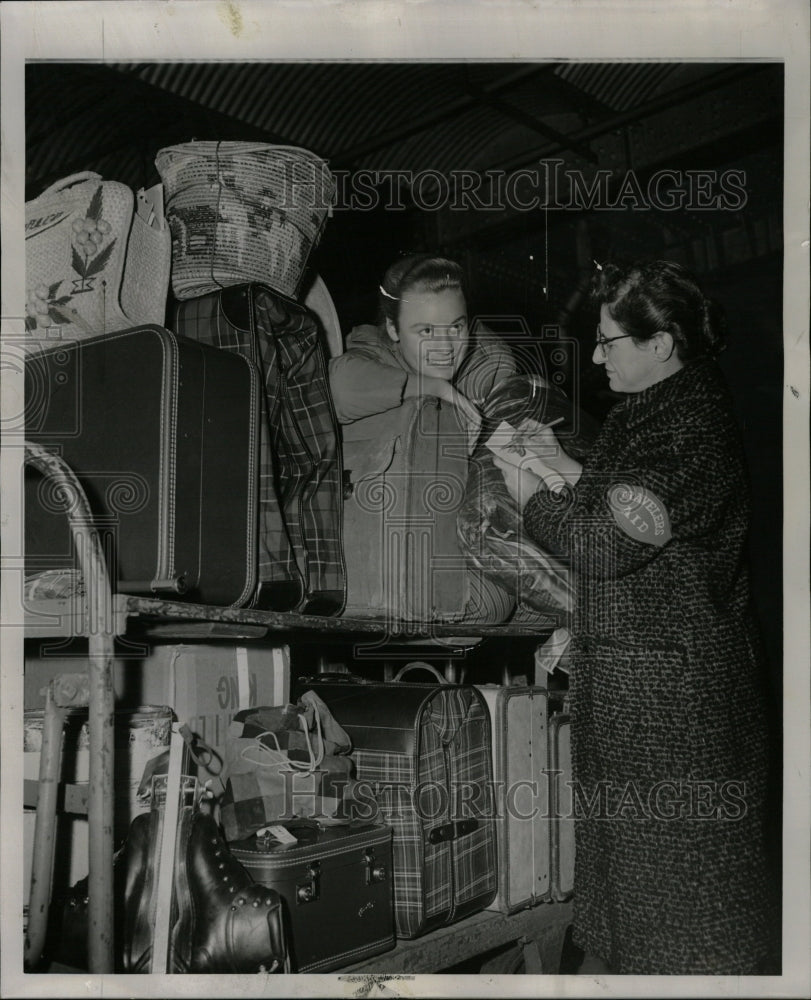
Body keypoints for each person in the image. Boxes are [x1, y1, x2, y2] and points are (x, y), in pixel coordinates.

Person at [494, 260, 778, 975]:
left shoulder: (688, 424)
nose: (594, 357)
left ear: (659, 344)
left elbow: (602, 543)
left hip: (674, 715)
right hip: (649, 699)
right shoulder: (659, 410)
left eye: (607, 341)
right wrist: (562, 463)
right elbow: (628, 505)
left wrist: (526, 489)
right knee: (644, 907)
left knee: (683, 918)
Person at [328, 253, 516, 448]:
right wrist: (437, 388)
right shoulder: (375, 352)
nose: (445, 347)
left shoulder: (489, 363)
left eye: (456, 327)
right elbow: (337, 389)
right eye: (426, 331)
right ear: (393, 328)